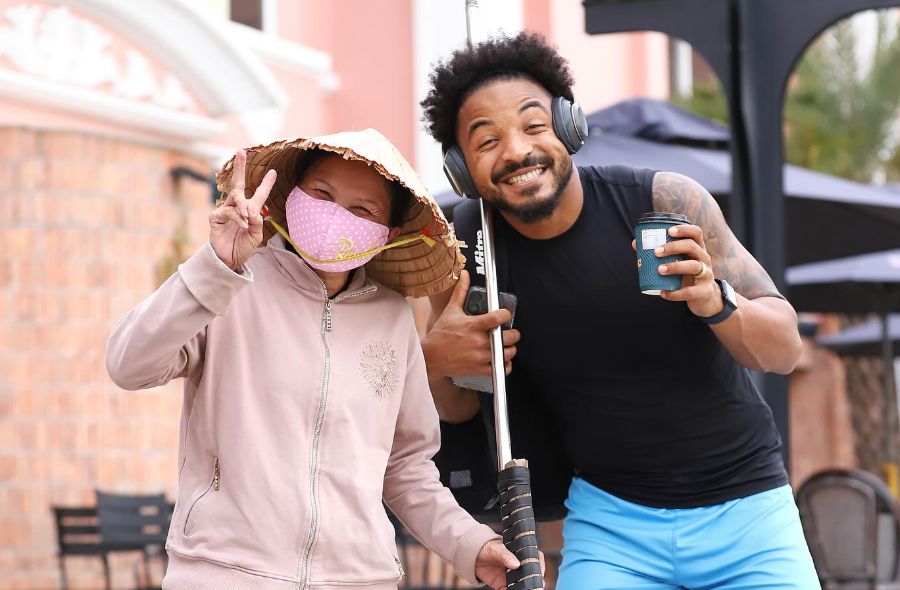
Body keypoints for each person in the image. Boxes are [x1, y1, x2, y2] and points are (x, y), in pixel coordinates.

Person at [418, 32, 820, 588]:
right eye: (486, 141)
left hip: (747, 513)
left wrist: (715, 299)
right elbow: (459, 410)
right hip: (612, 527)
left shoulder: (664, 201)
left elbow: (784, 349)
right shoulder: (466, 247)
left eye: (534, 126)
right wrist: (439, 362)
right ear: (460, 167)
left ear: (568, 125)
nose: (515, 152)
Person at [106, 129, 533, 590]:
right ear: (292, 198)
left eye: (361, 210)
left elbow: (406, 469)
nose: (336, 216)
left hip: (361, 579)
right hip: (224, 572)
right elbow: (129, 365)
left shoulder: (391, 316)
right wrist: (216, 266)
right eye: (322, 195)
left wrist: (471, 543)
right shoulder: (228, 284)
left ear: (385, 235)